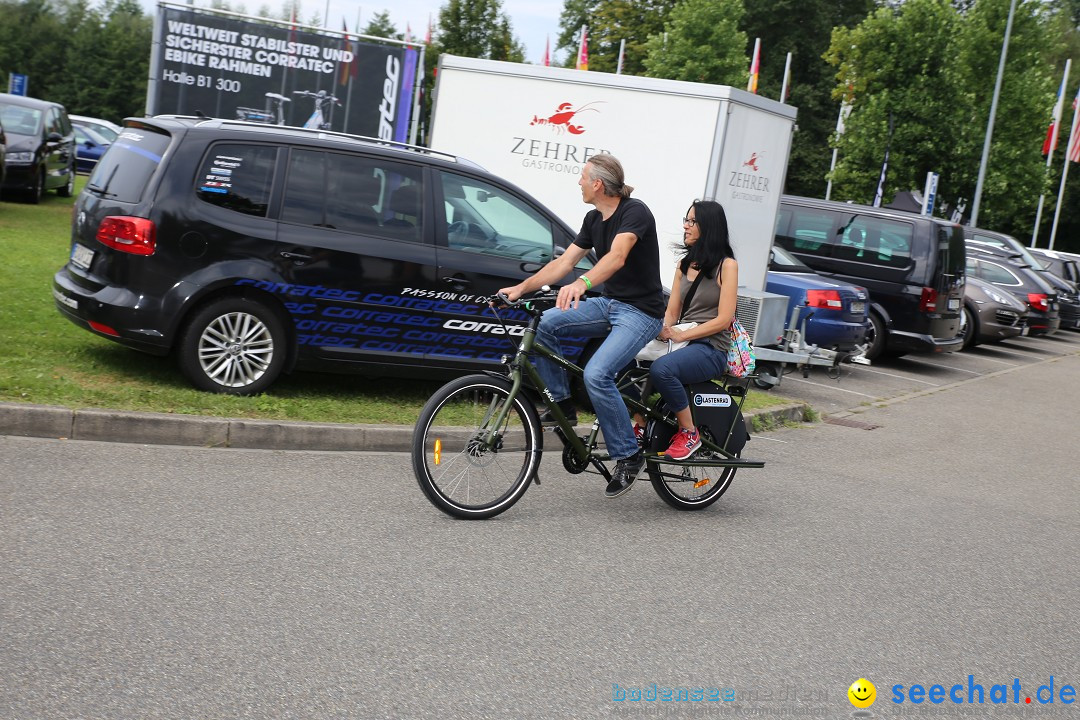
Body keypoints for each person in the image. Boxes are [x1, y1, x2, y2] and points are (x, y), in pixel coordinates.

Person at [497, 153, 665, 499]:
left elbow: (617, 257)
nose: (579, 182)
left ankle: (628, 454)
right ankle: (562, 407)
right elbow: (563, 263)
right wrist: (520, 288)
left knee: (597, 374)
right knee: (545, 323)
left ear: (598, 184)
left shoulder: (635, 212)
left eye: (583, 177)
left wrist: (582, 284)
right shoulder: (593, 219)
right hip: (610, 304)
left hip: (641, 313)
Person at [641, 200, 739, 461]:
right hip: (683, 342)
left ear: (709, 226)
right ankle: (639, 425)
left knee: (662, 369)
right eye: (686, 219)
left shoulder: (726, 266)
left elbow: (724, 319)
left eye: (692, 221)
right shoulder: (685, 264)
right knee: (627, 361)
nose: (685, 225)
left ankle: (689, 433)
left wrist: (681, 335)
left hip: (711, 347)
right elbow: (672, 311)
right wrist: (663, 328)